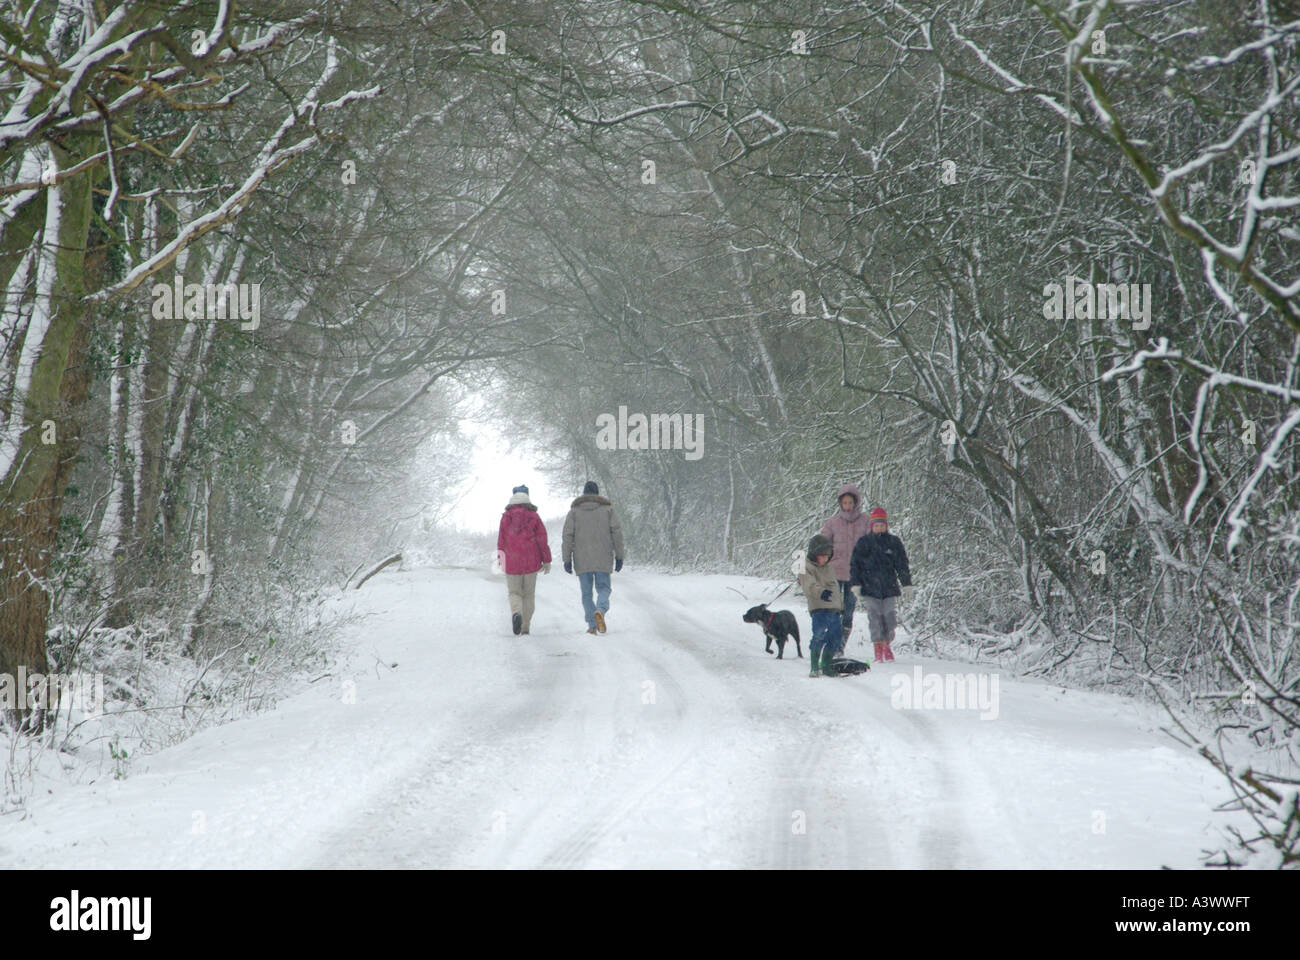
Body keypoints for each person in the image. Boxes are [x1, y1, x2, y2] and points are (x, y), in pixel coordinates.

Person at [849, 506, 912, 662]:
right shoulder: (864, 543)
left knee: (890, 618)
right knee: (875, 618)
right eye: (876, 525)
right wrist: (855, 583)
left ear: (886, 525)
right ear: (871, 526)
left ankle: (887, 644)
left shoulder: (894, 542)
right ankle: (878, 648)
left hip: (889, 588)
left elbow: (902, 564)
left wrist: (907, 584)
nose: (879, 528)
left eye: (882, 525)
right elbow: (855, 564)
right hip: (870, 588)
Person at [561, 481, 624, 635]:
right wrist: (619, 556)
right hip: (603, 556)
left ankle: (592, 625)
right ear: (597, 494)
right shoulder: (608, 510)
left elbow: (568, 536)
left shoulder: (574, 512)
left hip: (582, 559)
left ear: (584, 493)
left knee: (586, 593)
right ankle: (600, 610)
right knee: (604, 588)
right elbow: (617, 533)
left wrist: (567, 559)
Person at [820, 482, 873, 647]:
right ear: (840, 504)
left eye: (850, 503)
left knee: (848, 612)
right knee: (834, 609)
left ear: (856, 502)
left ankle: (841, 645)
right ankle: (833, 643)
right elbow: (822, 543)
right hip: (835, 572)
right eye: (845, 503)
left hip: (855, 575)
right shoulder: (833, 522)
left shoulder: (866, 521)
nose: (848, 506)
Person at [496, 484, 551, 635]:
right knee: (528, 594)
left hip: (512, 562)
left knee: (514, 592)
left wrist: (501, 561)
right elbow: (542, 539)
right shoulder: (534, 516)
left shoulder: (506, 517)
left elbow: (501, 541)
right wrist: (546, 560)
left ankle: (516, 614)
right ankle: (525, 626)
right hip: (531, 562)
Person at [798, 534, 842, 678]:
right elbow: (809, 585)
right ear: (814, 554)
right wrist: (821, 592)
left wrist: (839, 605)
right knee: (819, 635)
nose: (825, 559)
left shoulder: (829, 568)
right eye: (821, 556)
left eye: (827, 556)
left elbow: (834, 587)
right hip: (818, 608)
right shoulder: (805, 567)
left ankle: (827, 665)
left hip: (833, 608)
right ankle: (814, 665)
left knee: (835, 637)